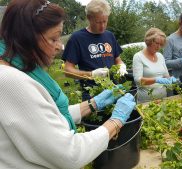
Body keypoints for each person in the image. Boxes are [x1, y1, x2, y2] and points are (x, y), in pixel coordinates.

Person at [0, 0, 136, 168]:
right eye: (53, 38)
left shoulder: (19, 70)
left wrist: (93, 104)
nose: (59, 47)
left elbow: (49, 117)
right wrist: (116, 121)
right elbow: (70, 154)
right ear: (26, 38)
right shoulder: (10, 81)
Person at [62, 0, 128, 101]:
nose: (102, 26)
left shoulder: (109, 36)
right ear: (89, 18)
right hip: (93, 95)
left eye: (105, 21)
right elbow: (67, 70)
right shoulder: (77, 38)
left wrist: (121, 67)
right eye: (98, 22)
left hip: (114, 91)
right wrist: (91, 74)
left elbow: (117, 59)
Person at [132, 28, 177, 103]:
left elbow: (166, 75)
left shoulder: (160, 56)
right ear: (149, 41)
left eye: (161, 44)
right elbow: (138, 81)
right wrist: (156, 80)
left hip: (162, 99)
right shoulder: (138, 57)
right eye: (156, 43)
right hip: (146, 101)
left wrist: (171, 80)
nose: (159, 47)